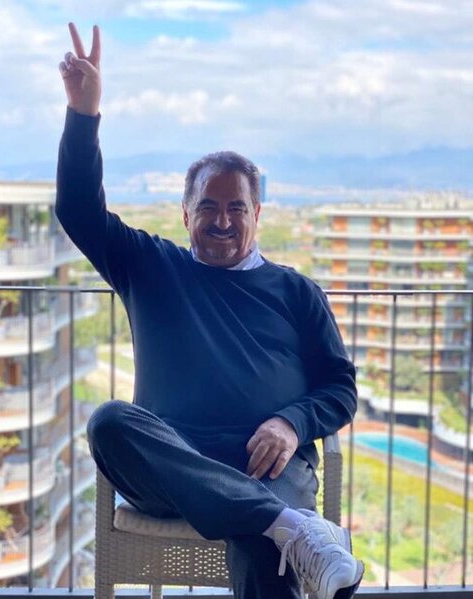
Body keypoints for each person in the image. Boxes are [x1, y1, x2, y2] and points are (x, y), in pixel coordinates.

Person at [56, 22, 364, 599]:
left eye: (236, 208)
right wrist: (84, 113)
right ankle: (293, 528)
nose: (222, 221)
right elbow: (77, 210)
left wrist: (291, 423)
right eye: (208, 207)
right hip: (172, 469)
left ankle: (278, 524)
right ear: (185, 213)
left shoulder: (297, 292)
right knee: (110, 422)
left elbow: (340, 390)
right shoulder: (151, 265)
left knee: (262, 534)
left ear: (257, 215)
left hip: (268, 465)